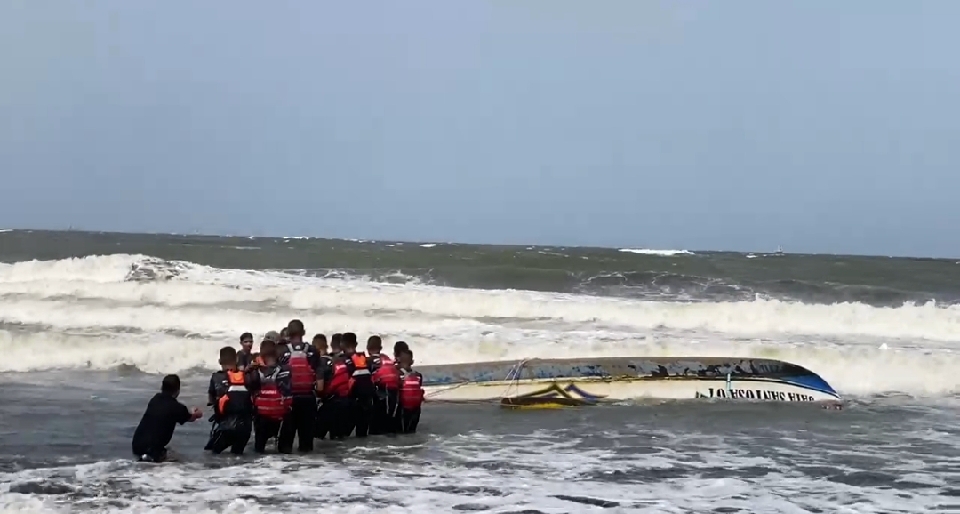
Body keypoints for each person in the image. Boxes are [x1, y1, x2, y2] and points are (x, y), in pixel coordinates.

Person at [132, 374, 203, 463]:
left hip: (137, 445)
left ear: (162, 387)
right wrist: (197, 413)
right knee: (179, 462)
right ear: (177, 390)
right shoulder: (176, 407)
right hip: (153, 449)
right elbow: (191, 417)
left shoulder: (155, 399)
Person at [277, 319, 322, 453]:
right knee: (306, 442)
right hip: (308, 398)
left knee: (285, 443)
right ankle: (307, 470)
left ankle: (284, 470)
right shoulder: (312, 350)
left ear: (288, 333)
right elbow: (319, 375)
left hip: (289, 399)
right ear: (303, 332)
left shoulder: (282, 351)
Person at [207, 346, 256, 455]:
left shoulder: (216, 377)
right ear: (237, 360)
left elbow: (211, 398)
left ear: (220, 361)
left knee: (212, 453)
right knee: (237, 456)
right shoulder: (246, 377)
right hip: (245, 428)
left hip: (226, 427)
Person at [249, 339, 292, 453]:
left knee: (259, 447)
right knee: (283, 448)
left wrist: (250, 368)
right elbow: (288, 391)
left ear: (262, 354)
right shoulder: (285, 370)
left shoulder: (256, 372)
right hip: (280, 414)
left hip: (262, 414)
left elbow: (250, 388)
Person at [341, 332, 375, 438]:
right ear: (356, 344)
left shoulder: (343, 360)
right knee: (362, 435)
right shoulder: (364, 358)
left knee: (343, 435)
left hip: (351, 400)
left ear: (342, 344)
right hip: (367, 400)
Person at [367, 335, 401, 435]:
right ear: (381, 348)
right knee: (388, 420)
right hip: (394, 393)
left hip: (380, 392)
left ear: (368, 349)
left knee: (376, 427)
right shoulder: (387, 359)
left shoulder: (369, 361)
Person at [312, 335, 336, 440]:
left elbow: (320, 387)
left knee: (317, 437)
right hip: (339, 401)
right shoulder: (334, 359)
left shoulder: (320, 363)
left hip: (326, 404)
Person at [397, 349, 424, 434]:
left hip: (402, 408)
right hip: (416, 408)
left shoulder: (397, 374)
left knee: (400, 432)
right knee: (412, 432)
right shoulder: (418, 375)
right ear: (412, 361)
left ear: (399, 360)